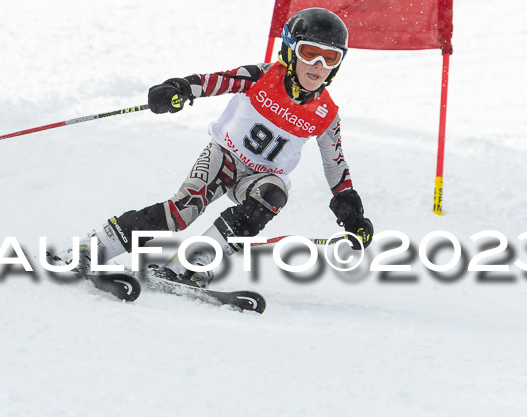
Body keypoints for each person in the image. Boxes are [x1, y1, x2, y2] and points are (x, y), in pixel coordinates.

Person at [53, 7, 374, 287]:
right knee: (181, 213)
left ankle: (191, 264)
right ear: (290, 51)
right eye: (309, 53)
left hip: (260, 178)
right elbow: (213, 81)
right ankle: (93, 248)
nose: (318, 65)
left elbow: (335, 165)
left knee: (274, 193)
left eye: (330, 58)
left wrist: (351, 212)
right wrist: (177, 89)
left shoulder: (326, 114)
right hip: (226, 157)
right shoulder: (262, 77)